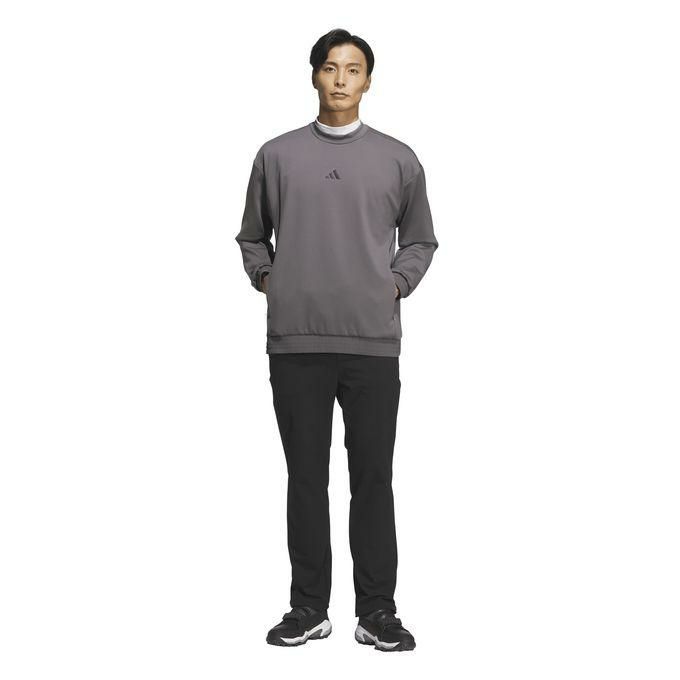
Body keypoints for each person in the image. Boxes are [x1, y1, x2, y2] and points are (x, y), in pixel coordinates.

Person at [235, 28, 438, 652]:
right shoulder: (276, 155)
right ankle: (308, 607)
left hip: (371, 342)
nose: (341, 79)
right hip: (296, 342)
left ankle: (377, 610)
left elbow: (421, 239)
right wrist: (269, 278)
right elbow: (251, 236)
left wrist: (394, 285)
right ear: (314, 76)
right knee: (305, 478)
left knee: (372, 477)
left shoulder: (399, 159)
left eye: (353, 69)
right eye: (330, 67)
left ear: (368, 80)